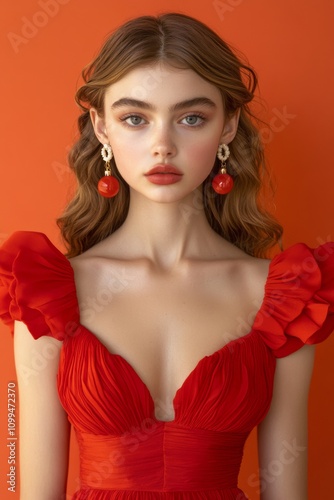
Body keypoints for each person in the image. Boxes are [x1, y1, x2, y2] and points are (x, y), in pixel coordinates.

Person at [0, 12, 333, 500]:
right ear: (101, 127)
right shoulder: (44, 289)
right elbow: (26, 487)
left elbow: (288, 493)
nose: (162, 146)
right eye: (135, 118)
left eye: (191, 118)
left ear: (228, 124)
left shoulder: (287, 297)